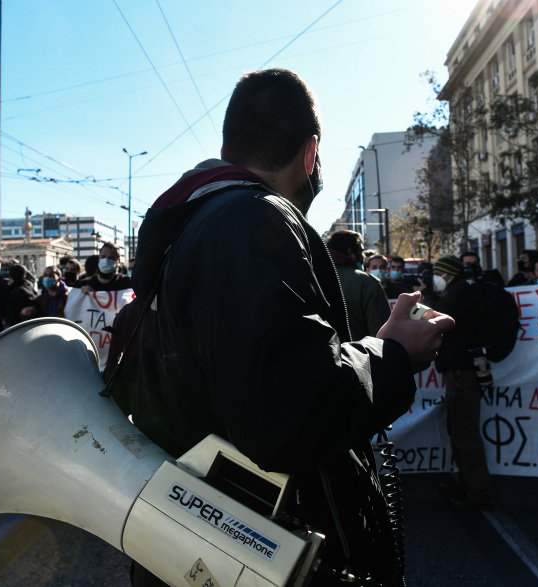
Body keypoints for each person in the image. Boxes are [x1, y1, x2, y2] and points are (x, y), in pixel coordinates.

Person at [116, 68, 453, 586]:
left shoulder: (199, 223)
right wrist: (393, 353)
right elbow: (291, 416)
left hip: (209, 546)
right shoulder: (250, 220)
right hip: (261, 552)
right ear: (310, 153)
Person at [418, 255, 496, 511]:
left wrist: (425, 293)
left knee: (465, 432)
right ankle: (466, 483)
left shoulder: (462, 290)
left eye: (437, 275)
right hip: (460, 370)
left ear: (448, 274)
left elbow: (434, 316)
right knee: (458, 429)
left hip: (464, 371)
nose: (435, 279)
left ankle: (479, 494)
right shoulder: (465, 288)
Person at [326, 230, 390, 338]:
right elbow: (383, 333)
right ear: (351, 253)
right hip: (361, 353)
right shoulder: (368, 282)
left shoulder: (313, 280)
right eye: (361, 251)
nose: (364, 257)